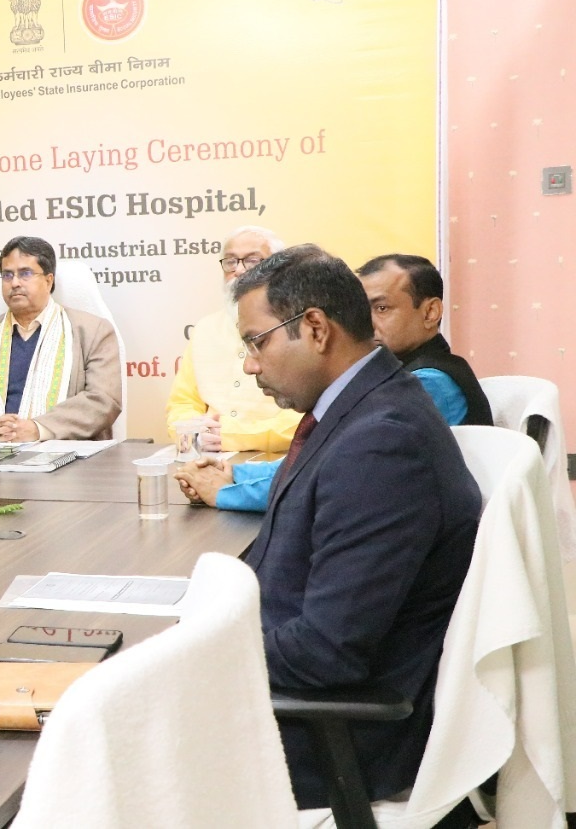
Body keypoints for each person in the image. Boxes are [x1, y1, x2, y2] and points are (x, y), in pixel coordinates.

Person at [229, 244, 480, 808]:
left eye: (256, 342)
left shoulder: (382, 442)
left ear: (316, 328)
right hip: (291, 698)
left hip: (327, 742)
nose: (250, 365)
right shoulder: (362, 410)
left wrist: (194, 656)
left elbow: (326, 652)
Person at [178, 253, 493, 509]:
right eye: (362, 308)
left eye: (382, 308)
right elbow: (316, 462)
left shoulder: (424, 387)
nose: (366, 322)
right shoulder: (393, 377)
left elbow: (329, 483)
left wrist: (226, 492)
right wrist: (236, 473)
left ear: (431, 312)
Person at [0, 236, 122, 441]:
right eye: (7, 275)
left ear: (48, 280)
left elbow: (103, 402)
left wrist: (37, 429)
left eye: (25, 273)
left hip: (72, 455)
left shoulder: (92, 332)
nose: (14, 283)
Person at [165, 225, 301, 452]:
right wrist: (194, 434)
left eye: (252, 261)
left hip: (280, 461)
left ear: (279, 269)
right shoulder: (205, 329)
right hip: (208, 458)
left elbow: (306, 418)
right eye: (230, 261)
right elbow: (182, 403)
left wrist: (232, 436)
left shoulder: (297, 326)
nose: (238, 270)